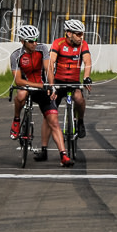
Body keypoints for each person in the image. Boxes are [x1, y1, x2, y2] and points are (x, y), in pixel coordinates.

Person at [11, 25, 73, 167]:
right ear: (22, 41)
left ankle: (63, 155)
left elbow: (48, 69)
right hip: (27, 87)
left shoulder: (42, 49)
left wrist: (51, 86)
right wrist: (37, 85)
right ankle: (16, 119)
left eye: (36, 40)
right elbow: (18, 80)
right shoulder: (16, 55)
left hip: (42, 87)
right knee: (20, 94)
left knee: (54, 121)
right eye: (31, 41)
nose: (35, 43)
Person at [47, 18, 92, 140]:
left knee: (79, 99)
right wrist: (50, 82)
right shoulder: (58, 43)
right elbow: (51, 61)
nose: (81, 37)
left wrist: (86, 77)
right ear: (69, 33)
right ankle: (44, 147)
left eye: (82, 34)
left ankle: (80, 122)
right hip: (58, 82)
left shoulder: (83, 45)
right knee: (49, 111)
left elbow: (87, 61)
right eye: (78, 34)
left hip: (74, 82)